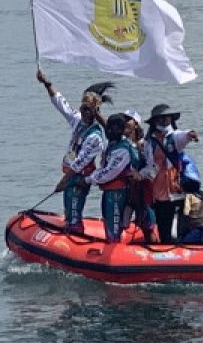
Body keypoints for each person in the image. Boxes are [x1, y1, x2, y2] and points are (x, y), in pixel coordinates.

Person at [36, 69, 113, 234]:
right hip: (70, 174)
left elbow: (80, 162)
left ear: (95, 111)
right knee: (68, 207)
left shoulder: (95, 137)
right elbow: (62, 105)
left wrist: (63, 182)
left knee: (74, 207)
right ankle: (71, 225)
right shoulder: (78, 121)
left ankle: (75, 231)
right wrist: (47, 84)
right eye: (83, 107)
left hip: (78, 177)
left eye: (88, 109)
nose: (84, 112)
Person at [141, 103, 198, 243]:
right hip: (158, 191)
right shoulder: (149, 142)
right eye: (161, 118)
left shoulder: (174, 138)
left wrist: (190, 134)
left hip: (175, 189)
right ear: (155, 121)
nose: (164, 121)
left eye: (167, 118)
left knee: (175, 225)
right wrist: (140, 174)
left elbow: (183, 136)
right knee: (162, 225)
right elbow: (150, 166)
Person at [85, 113, 141, 243]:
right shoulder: (112, 145)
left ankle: (114, 247)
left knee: (114, 225)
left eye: (116, 128)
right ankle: (112, 241)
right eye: (110, 127)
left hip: (118, 193)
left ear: (122, 130)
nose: (111, 130)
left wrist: (88, 179)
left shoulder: (123, 149)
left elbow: (110, 172)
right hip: (109, 192)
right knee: (109, 221)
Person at [121, 110, 157, 242]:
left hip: (143, 190)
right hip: (127, 190)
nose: (125, 122)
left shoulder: (144, 144)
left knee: (147, 224)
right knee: (123, 222)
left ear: (136, 124)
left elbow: (152, 167)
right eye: (123, 119)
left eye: (128, 119)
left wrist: (140, 175)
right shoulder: (121, 144)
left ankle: (154, 251)